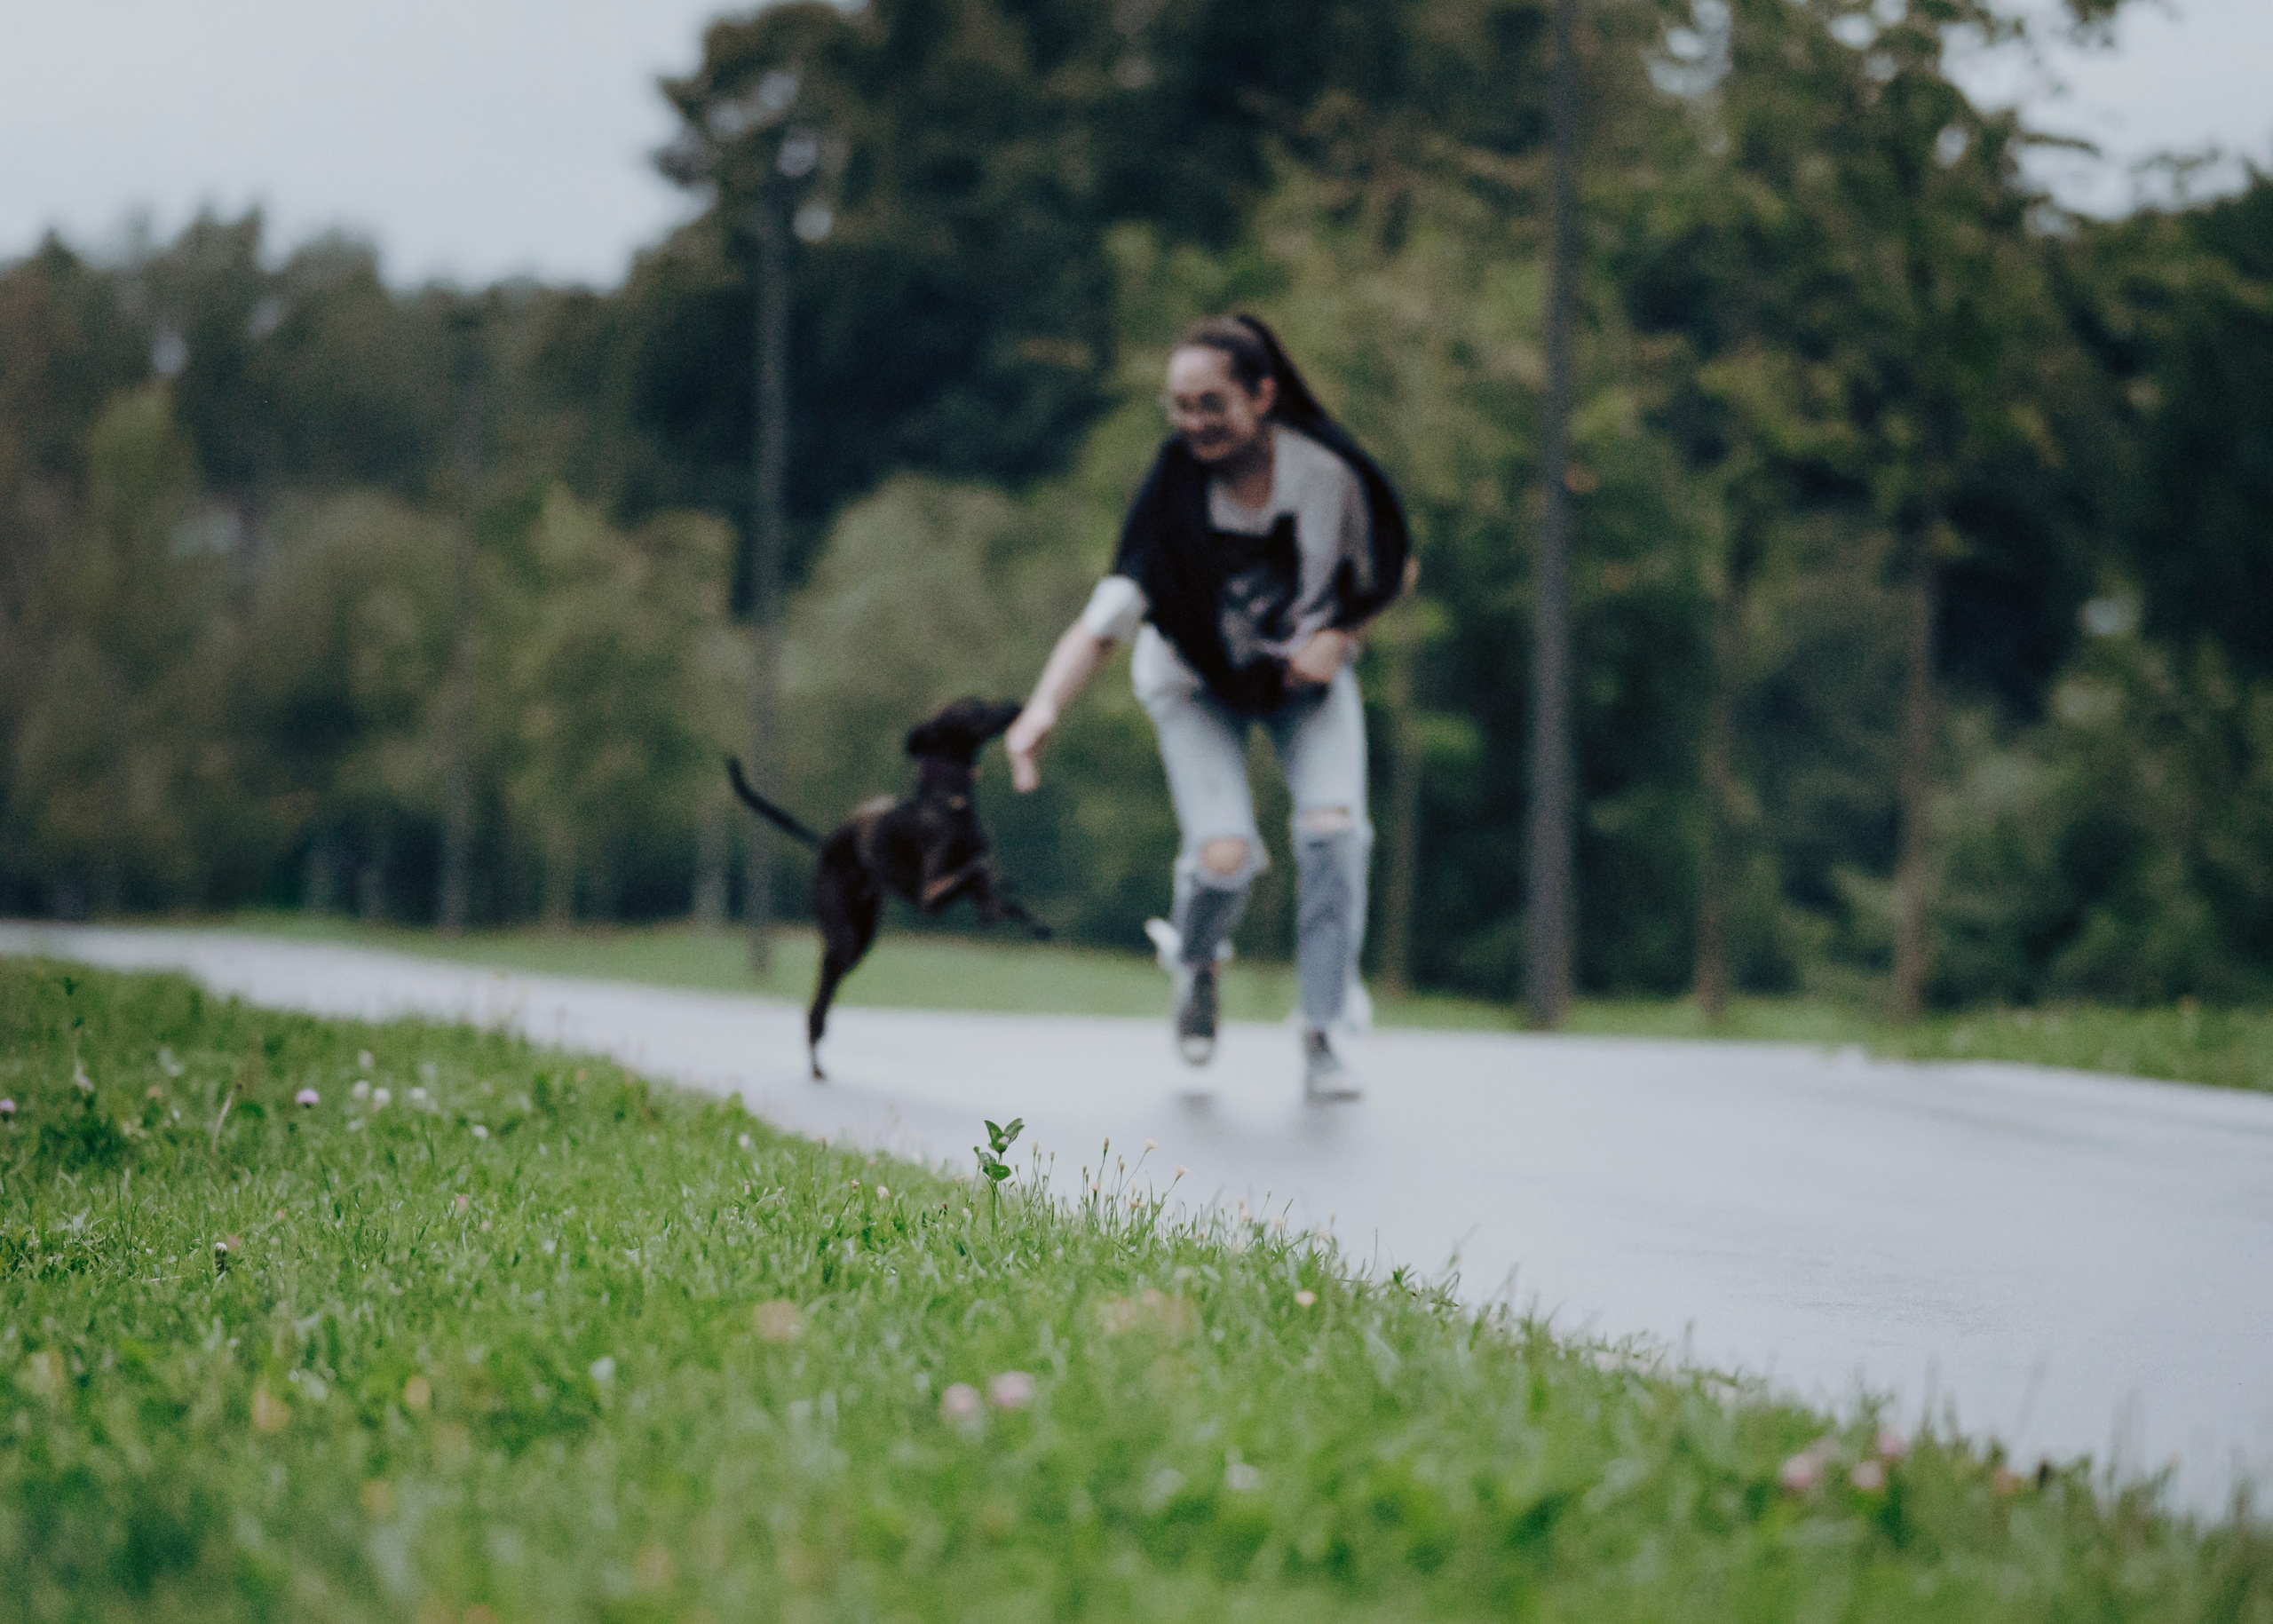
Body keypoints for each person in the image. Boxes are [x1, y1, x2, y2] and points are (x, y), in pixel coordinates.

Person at [1005, 314, 1410, 1100]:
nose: (1195, 424)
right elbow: (1108, 614)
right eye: (1180, 406)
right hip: (1194, 681)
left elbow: (1396, 567)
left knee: (1335, 834)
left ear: (1262, 394)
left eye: (1210, 404)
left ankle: (1324, 1032)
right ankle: (1194, 966)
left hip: (1304, 681)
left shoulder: (1328, 473)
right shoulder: (1173, 492)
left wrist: (1343, 635)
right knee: (1224, 856)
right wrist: (1042, 709)